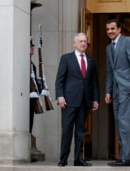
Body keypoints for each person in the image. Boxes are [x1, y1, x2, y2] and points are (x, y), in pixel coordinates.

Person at [55, 33, 100, 167]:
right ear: (74, 43)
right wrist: (60, 96)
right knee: (67, 130)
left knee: (80, 132)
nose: (83, 44)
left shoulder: (91, 61)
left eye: (85, 41)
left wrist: (95, 99)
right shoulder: (66, 58)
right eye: (80, 41)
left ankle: (78, 159)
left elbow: (94, 82)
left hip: (84, 101)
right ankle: (63, 159)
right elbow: (59, 80)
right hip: (68, 101)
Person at [105, 19, 130, 167]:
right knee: (119, 122)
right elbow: (109, 71)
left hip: (127, 88)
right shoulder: (109, 48)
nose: (110, 32)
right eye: (108, 29)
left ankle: (127, 157)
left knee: (124, 121)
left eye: (113, 29)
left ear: (119, 29)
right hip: (115, 90)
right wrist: (108, 91)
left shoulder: (128, 41)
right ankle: (122, 156)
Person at [29, 38, 42, 162]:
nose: (32, 48)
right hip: (26, 99)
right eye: (31, 46)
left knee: (30, 124)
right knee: (27, 124)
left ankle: (28, 151)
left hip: (32, 99)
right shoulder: (25, 63)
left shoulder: (31, 64)